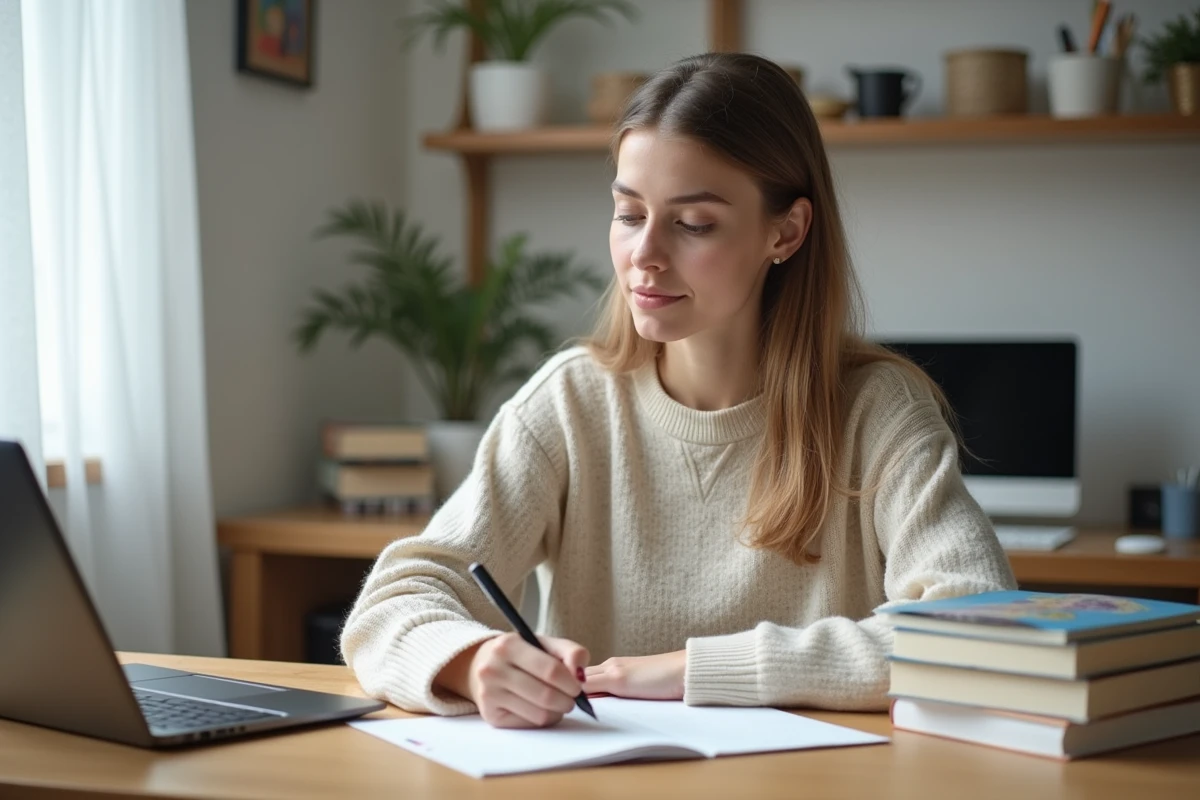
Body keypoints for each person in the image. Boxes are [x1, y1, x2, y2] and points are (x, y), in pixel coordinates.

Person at [340, 52, 1016, 729]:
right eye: (630, 214)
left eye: (693, 223)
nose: (645, 254)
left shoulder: (878, 412)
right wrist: (473, 658)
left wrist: (697, 671)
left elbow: (979, 634)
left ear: (786, 231)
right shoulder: (571, 404)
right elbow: (391, 606)